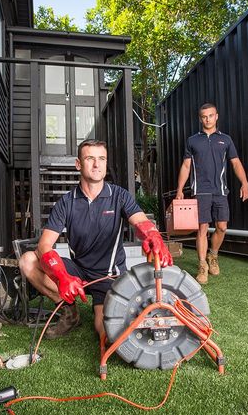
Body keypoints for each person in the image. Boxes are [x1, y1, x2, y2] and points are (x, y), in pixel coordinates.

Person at [19, 139, 173, 340]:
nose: (96, 164)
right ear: (78, 164)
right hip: (78, 271)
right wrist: (61, 276)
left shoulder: (119, 196)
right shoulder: (66, 202)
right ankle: (69, 311)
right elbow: (44, 246)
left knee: (106, 333)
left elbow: (140, 222)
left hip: (109, 276)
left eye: (101, 159)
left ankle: (100, 310)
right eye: (90, 158)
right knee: (27, 260)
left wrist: (152, 234)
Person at [175, 103, 248, 285]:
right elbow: (186, 166)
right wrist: (179, 191)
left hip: (220, 191)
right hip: (200, 191)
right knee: (202, 229)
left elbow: (236, 163)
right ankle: (202, 266)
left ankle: (213, 255)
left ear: (216, 116)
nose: (207, 119)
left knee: (222, 227)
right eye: (204, 116)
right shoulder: (193, 140)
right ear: (200, 118)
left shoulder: (226, 139)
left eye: (210, 115)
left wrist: (245, 183)